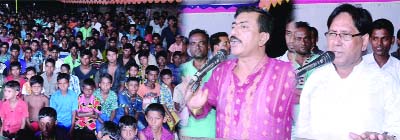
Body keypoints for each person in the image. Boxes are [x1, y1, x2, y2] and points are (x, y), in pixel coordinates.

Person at [187, 7, 296, 139]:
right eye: (233, 26)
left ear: (262, 38)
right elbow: (201, 109)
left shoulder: (286, 73)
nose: (233, 32)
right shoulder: (221, 71)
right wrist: (195, 107)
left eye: (243, 27)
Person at [295, 4, 400, 139]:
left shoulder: (386, 82)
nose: (336, 42)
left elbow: (396, 130)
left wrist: (386, 137)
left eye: (345, 35)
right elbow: (302, 134)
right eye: (332, 34)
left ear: (364, 41)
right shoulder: (315, 80)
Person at [174, 29, 216, 138]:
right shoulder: (182, 69)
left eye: (201, 43)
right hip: (187, 131)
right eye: (193, 43)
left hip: (211, 129)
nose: (197, 47)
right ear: (189, 48)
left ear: (208, 47)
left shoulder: (219, 69)